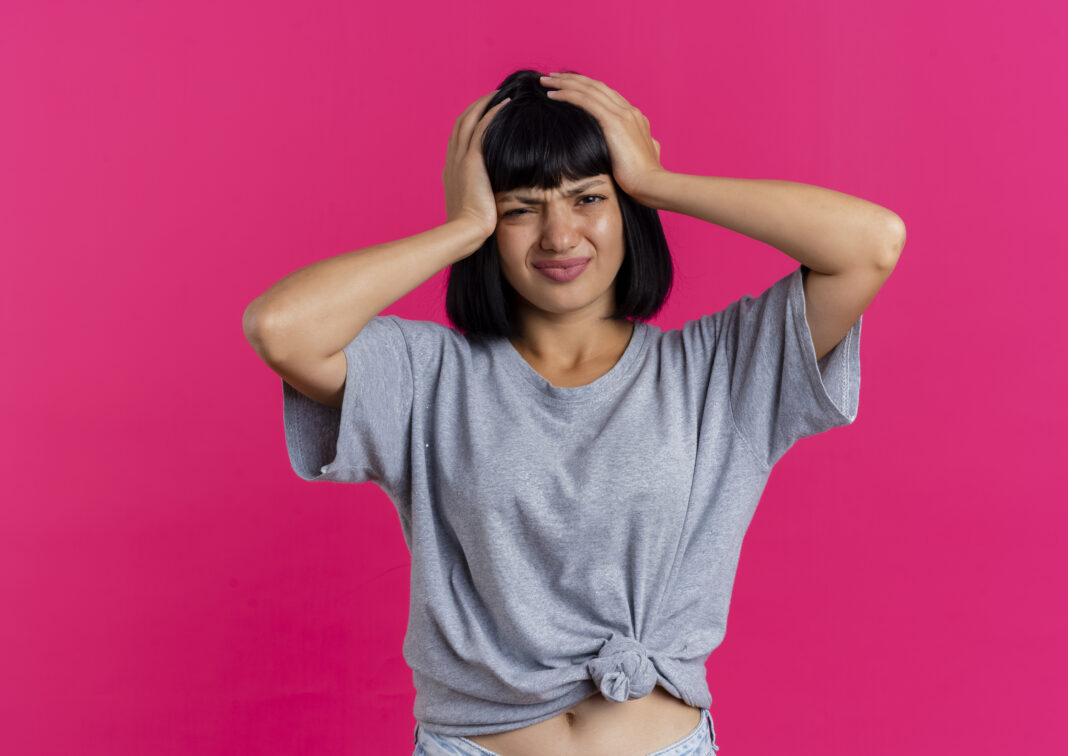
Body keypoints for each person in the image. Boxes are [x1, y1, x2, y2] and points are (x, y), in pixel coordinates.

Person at [242, 68, 904, 756]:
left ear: (627, 209)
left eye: (588, 197)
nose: (559, 235)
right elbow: (281, 329)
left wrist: (658, 183)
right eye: (521, 208)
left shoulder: (716, 369)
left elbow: (872, 244)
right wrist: (461, 228)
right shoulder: (428, 375)